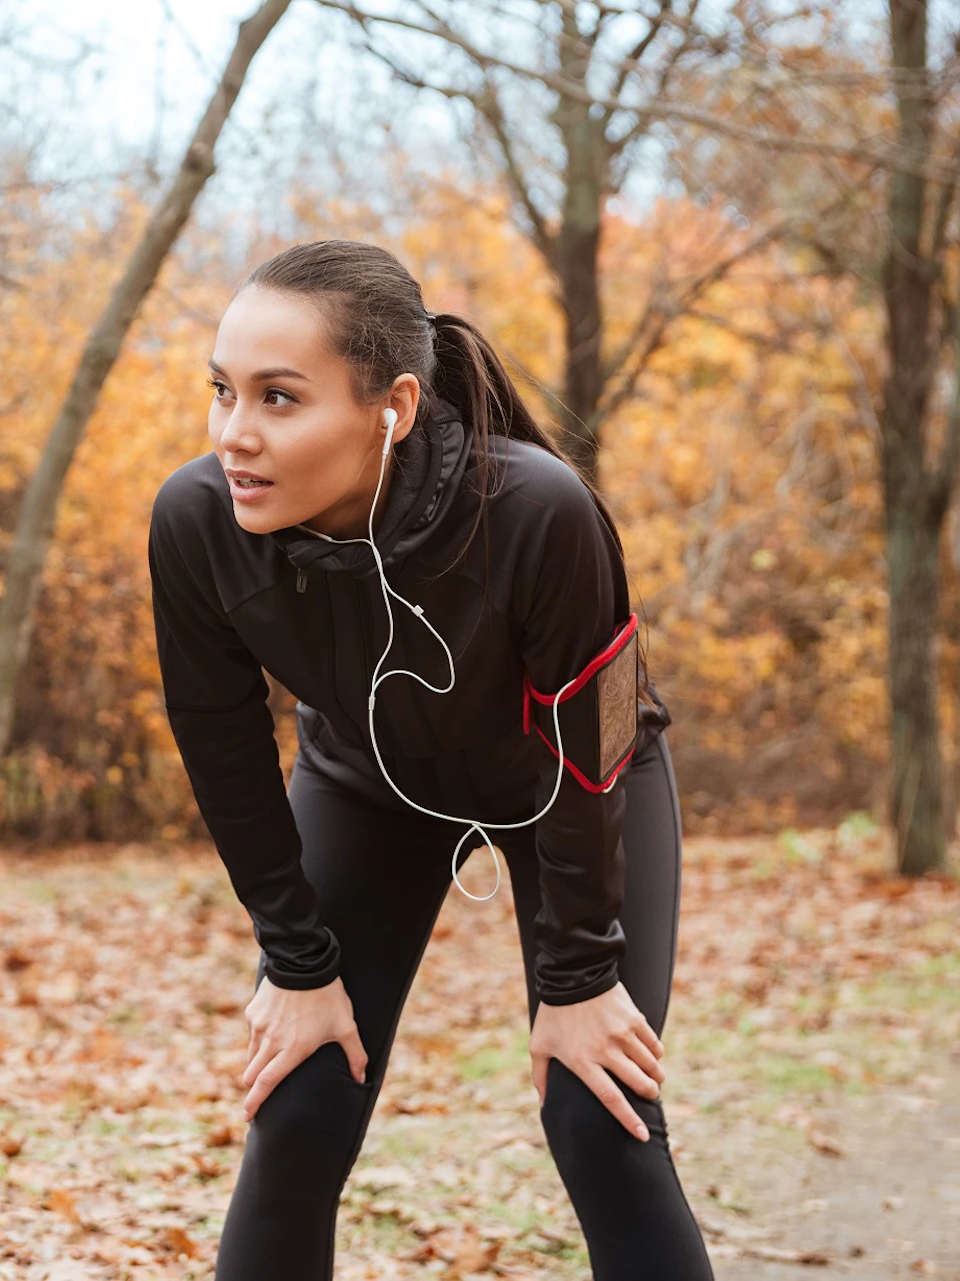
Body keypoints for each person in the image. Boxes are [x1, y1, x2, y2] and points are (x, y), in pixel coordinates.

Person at [146, 239, 714, 1279]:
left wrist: (579, 976)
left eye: (278, 399)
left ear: (391, 407)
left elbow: (597, 729)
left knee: (598, 1117)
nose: (234, 435)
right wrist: (296, 963)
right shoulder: (197, 522)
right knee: (300, 1099)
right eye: (221, 392)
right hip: (366, 790)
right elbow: (219, 745)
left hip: (570, 785)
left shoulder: (538, 508)